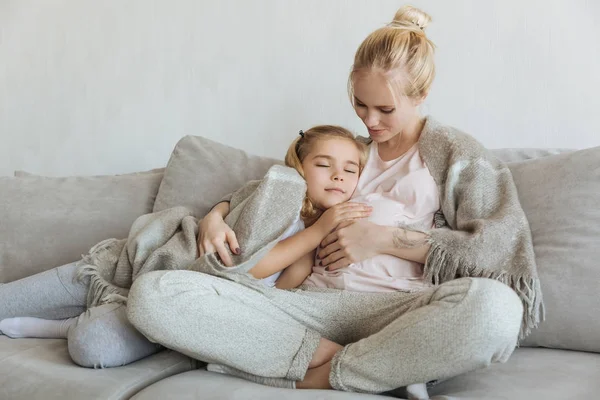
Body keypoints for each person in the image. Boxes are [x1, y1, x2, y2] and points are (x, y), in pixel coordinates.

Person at [125, 5, 541, 394]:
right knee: (153, 294)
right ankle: (371, 368)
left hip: (398, 311)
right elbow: (265, 194)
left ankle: (318, 373)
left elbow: (494, 248)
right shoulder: (349, 152)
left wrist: (382, 239)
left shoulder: (455, 153)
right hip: (304, 306)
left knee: (496, 310)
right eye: (360, 104)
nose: (370, 120)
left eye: (385, 109)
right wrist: (215, 217)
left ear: (421, 94)